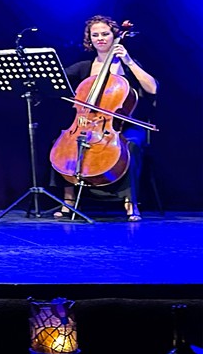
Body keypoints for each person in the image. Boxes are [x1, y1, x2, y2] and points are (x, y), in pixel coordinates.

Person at [56, 15, 158, 222]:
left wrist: (128, 61)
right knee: (62, 146)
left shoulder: (127, 65)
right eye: (95, 35)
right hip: (87, 124)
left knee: (131, 146)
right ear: (90, 39)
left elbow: (153, 88)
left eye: (105, 34)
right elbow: (58, 81)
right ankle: (68, 201)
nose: (100, 38)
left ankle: (130, 203)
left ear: (114, 36)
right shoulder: (84, 67)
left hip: (124, 125)